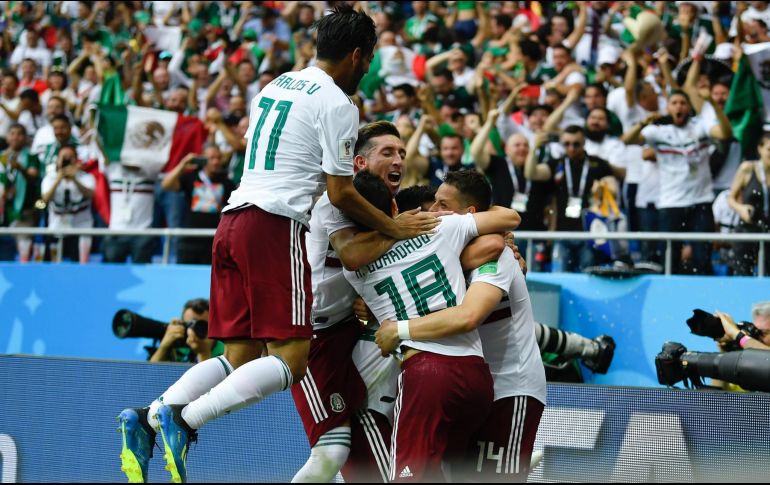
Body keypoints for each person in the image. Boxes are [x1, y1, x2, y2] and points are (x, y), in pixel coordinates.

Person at [116, 7, 438, 484]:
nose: (366, 70)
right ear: (356, 54)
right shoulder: (339, 103)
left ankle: (148, 416)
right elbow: (341, 191)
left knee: (239, 355)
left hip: (230, 220)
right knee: (291, 358)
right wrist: (393, 228)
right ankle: (182, 421)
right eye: (367, 60)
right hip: (273, 224)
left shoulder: (276, 85)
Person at [343, 170, 521, 482]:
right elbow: (507, 222)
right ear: (396, 209)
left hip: (426, 374)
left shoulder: (354, 270)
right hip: (477, 377)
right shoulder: (440, 227)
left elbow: (350, 255)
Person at [623, 90, 733, 274]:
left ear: (689, 107)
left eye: (683, 102)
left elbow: (725, 134)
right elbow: (628, 140)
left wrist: (713, 105)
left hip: (701, 202)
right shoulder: (659, 131)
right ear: (668, 107)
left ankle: (704, 297)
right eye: (674, 103)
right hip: (671, 202)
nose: (678, 106)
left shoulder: (700, 127)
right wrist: (644, 122)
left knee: (702, 257)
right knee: (669, 258)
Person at [525, 125, 617, 272]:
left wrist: (602, 187)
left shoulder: (597, 164)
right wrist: (534, 148)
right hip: (562, 234)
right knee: (559, 277)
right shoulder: (557, 164)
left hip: (588, 234)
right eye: (566, 144)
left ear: (584, 142)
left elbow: (614, 189)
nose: (571, 148)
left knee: (588, 279)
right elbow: (531, 173)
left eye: (576, 144)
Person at [161, 146, 235, 265]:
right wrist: (183, 164)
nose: (216, 162)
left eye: (218, 158)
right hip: (189, 239)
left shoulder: (226, 182)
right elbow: (166, 185)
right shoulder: (191, 177)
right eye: (211, 158)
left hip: (213, 240)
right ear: (203, 159)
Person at [39, 144, 94, 263]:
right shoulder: (50, 178)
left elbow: (90, 195)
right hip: (56, 228)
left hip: (81, 229)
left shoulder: (86, 177)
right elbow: (43, 202)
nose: (67, 160)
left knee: (81, 266)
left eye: (70, 157)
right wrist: (59, 179)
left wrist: (74, 179)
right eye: (64, 157)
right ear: (58, 160)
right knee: (53, 266)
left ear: (76, 159)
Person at [728, 134, 770, 276]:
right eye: (769, 149)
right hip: (747, 231)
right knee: (742, 274)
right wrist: (741, 209)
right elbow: (730, 198)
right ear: (760, 149)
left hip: (768, 233)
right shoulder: (747, 168)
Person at [150, 298, 224, 364]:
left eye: (202, 325)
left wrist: (204, 353)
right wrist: (164, 346)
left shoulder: (225, 351)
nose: (195, 330)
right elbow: (149, 375)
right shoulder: (176, 345)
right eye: (190, 324)